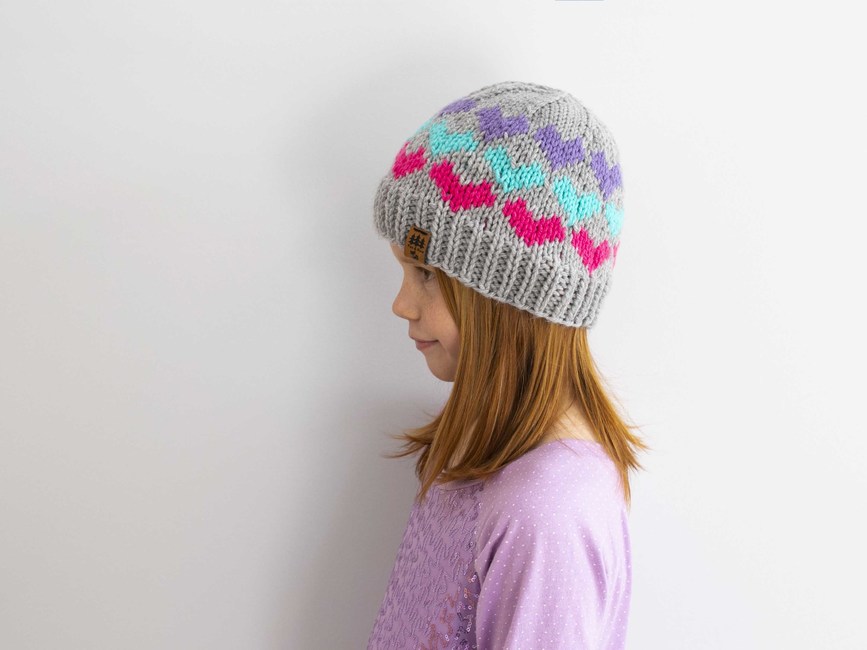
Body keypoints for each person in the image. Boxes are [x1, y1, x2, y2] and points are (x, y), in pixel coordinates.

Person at [366, 80, 650, 649]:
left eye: (426, 274)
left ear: (511, 300)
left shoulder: (548, 514)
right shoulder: (487, 448)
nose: (401, 304)